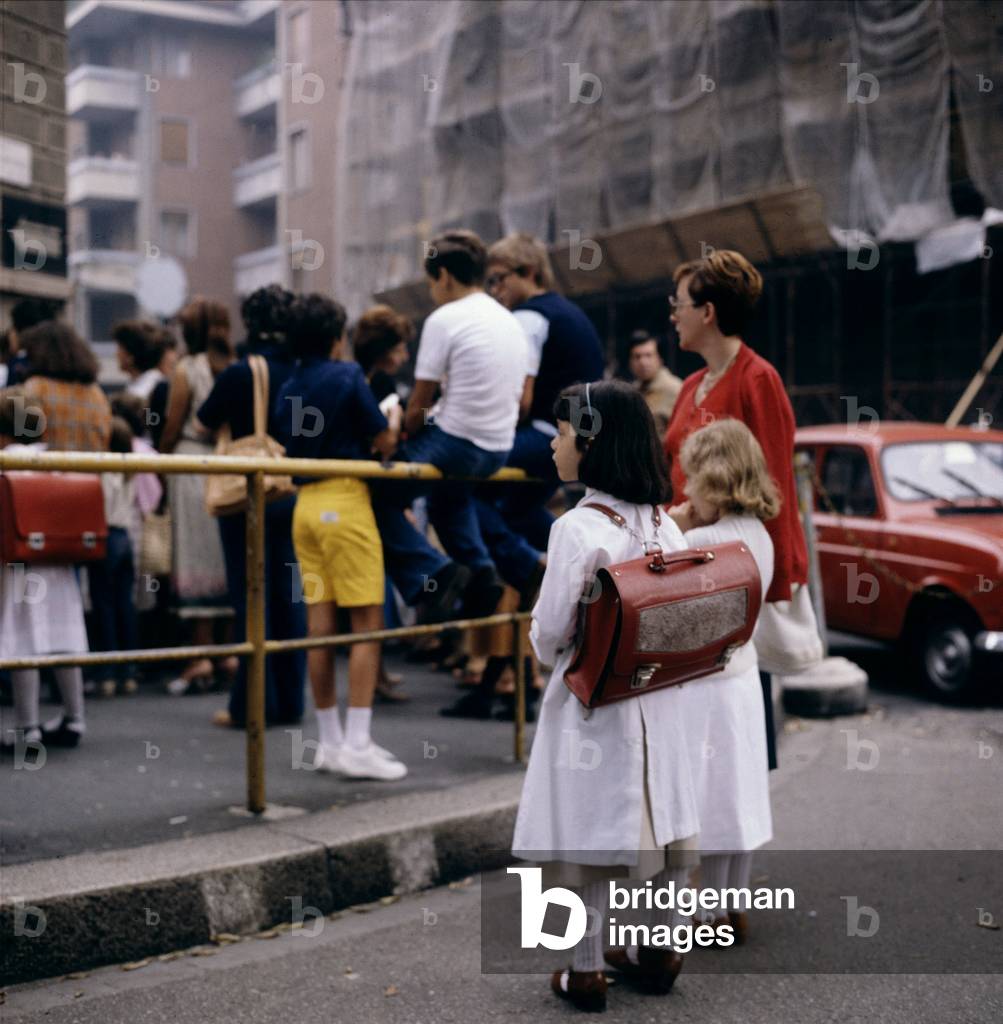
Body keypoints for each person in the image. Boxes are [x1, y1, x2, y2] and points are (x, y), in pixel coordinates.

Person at [511, 380, 699, 1013]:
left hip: (595, 704)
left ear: (590, 442)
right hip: (662, 698)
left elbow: (550, 633)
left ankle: (585, 969)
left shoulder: (576, 528)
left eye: (563, 432)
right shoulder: (665, 525)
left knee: (589, 833)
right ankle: (662, 949)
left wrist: (541, 638)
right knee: (665, 823)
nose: (555, 444)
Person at [663, 249, 809, 771]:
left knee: (740, 691)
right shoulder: (688, 384)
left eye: (678, 304)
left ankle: (742, 816)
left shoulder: (756, 378)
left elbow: (774, 484)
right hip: (688, 556)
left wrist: (776, 575)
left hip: (736, 562)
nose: (672, 314)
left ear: (708, 312)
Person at [274, 293, 407, 781]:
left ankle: (329, 741)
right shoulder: (348, 375)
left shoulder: (289, 383)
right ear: (335, 338)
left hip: (303, 505)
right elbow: (383, 439)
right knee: (367, 624)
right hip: (346, 503)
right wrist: (392, 420)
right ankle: (358, 742)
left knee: (319, 628)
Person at [370, 230, 528, 622]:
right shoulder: (509, 320)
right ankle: (482, 573)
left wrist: (404, 433)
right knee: (449, 499)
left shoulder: (445, 319)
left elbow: (420, 404)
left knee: (375, 494)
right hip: (498, 448)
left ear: (443, 276)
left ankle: (435, 573)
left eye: (430, 281)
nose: (432, 290)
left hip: (456, 443)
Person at [667, 418, 778, 944]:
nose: (685, 489)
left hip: (703, 682)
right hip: (743, 676)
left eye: (692, 478)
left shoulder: (702, 539)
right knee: (738, 793)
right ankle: (733, 904)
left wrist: (677, 525)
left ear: (714, 481)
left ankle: (703, 914)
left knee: (704, 796)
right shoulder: (759, 535)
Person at [197, 285, 307, 730]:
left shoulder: (244, 372)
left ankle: (252, 704)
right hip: (298, 489)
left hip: (251, 494)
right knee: (290, 596)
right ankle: (291, 700)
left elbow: (204, 423)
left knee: (250, 597)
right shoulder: (305, 368)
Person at [478, 232, 605, 603]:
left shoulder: (529, 316)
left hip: (547, 434)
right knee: (518, 510)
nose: (495, 289)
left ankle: (531, 568)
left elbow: (520, 398)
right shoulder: (569, 312)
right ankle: (578, 565)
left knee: (459, 487)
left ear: (529, 272)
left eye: (499, 278)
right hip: (578, 437)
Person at [0, 390, 89, 750]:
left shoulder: (5, 460)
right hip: (58, 559)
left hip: (18, 562)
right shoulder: (55, 459)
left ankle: (28, 725)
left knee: (25, 639)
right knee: (62, 638)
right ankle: (75, 716)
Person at [158, 297, 234, 695]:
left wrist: (161, 457)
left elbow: (172, 427)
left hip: (191, 467)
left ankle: (199, 655)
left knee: (194, 555)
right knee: (224, 556)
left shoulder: (187, 369)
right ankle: (227, 652)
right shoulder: (236, 366)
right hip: (228, 467)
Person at [88, 416, 140, 698]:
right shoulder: (129, 470)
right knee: (125, 605)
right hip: (125, 537)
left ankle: (106, 671)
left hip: (106, 535)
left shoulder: (105, 470)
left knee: (104, 606)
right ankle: (128, 669)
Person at [17, 322, 111, 452]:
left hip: (46, 469)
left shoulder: (34, 388)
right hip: (90, 470)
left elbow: (21, 442)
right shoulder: (97, 394)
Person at [627, 329, 683, 436]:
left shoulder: (675, 389)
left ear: (659, 358)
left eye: (648, 355)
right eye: (637, 357)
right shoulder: (632, 391)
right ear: (630, 362)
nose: (643, 362)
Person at [4, 297, 61, 386]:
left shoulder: (18, 366)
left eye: (13, 327)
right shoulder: (64, 364)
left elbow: (16, 399)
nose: (9, 334)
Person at [114, 320, 169, 406]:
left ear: (130, 356)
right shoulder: (150, 383)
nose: (116, 354)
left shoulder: (142, 393)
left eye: (120, 348)